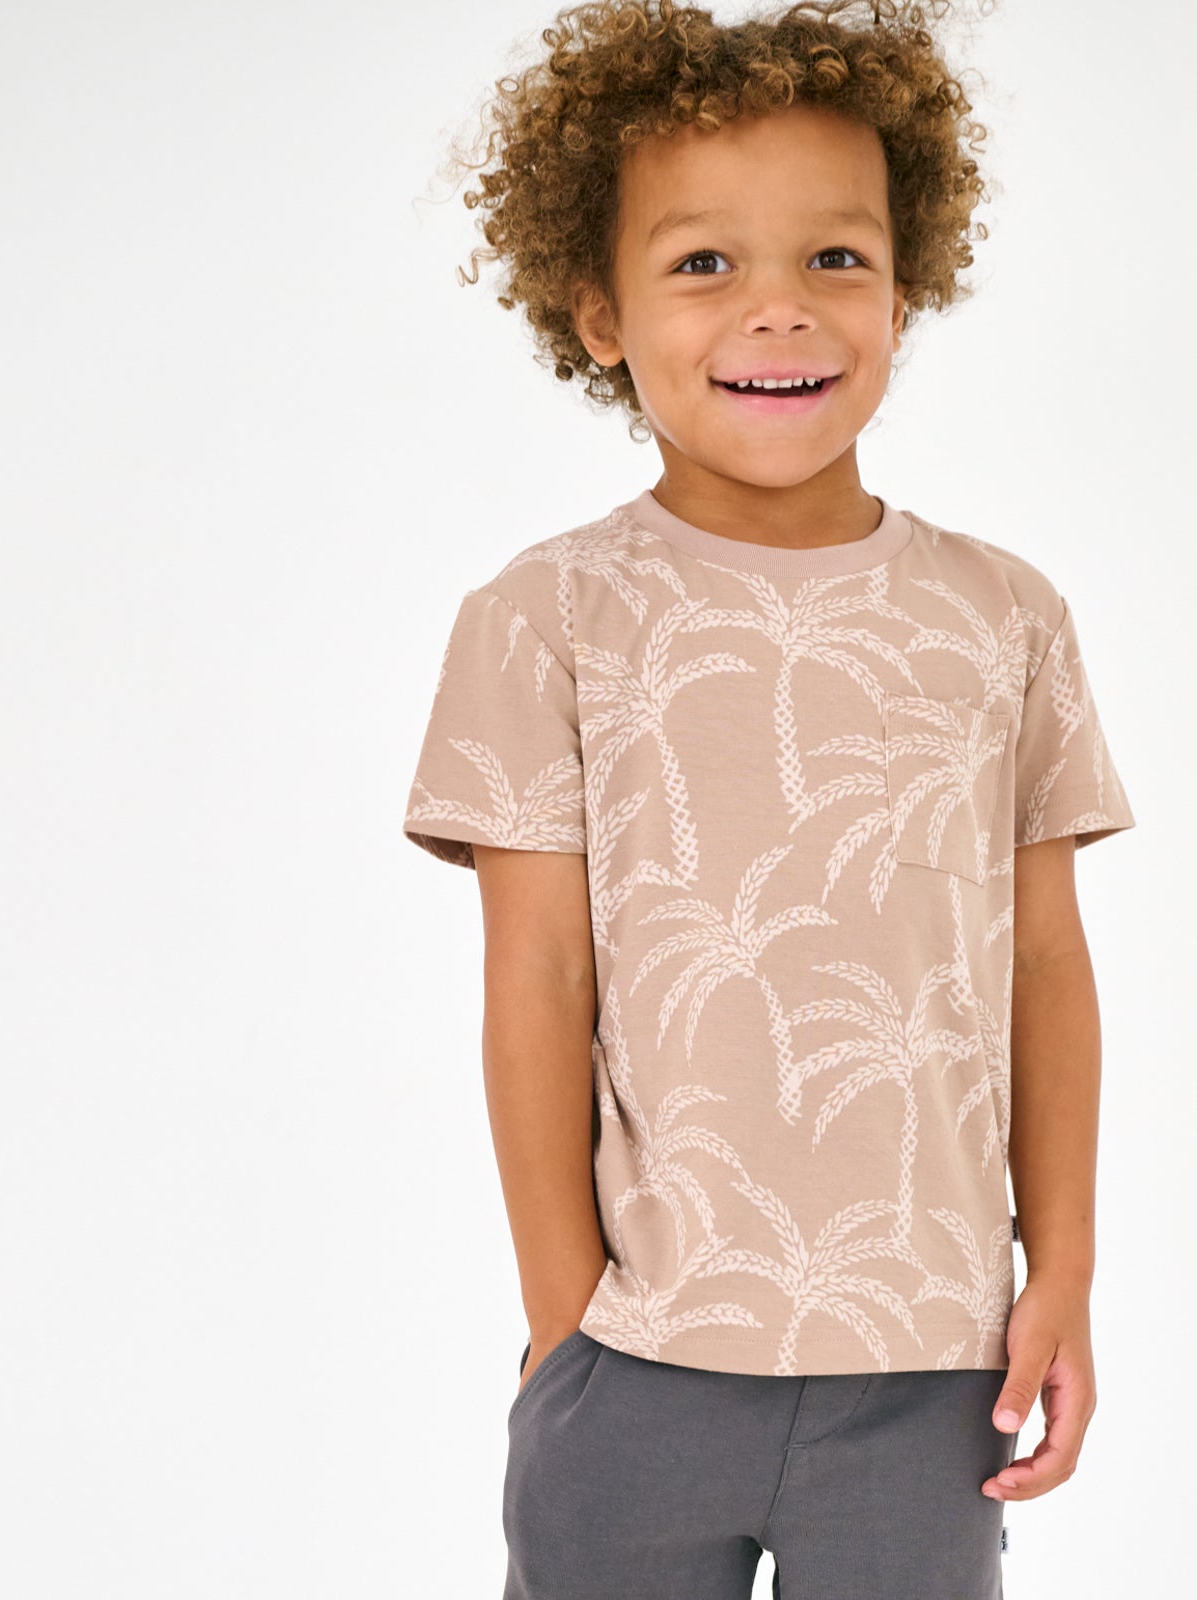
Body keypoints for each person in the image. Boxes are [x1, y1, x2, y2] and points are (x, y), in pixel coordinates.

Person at [400, 2, 1136, 1594]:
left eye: (836, 257)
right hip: (638, 1364)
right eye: (705, 263)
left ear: (904, 289)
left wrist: (1061, 1265)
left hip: (934, 1371)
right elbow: (538, 975)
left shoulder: (1004, 617)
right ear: (599, 312)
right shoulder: (546, 617)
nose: (780, 309)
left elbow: (1045, 960)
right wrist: (563, 1331)